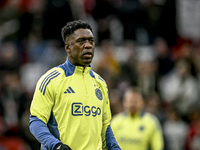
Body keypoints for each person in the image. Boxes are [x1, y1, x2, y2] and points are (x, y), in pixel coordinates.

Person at [29, 20, 121, 150]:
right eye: (81, 41)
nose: (88, 45)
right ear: (68, 47)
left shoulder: (100, 83)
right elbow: (36, 122)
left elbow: (105, 127)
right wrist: (56, 145)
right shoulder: (51, 79)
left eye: (91, 41)